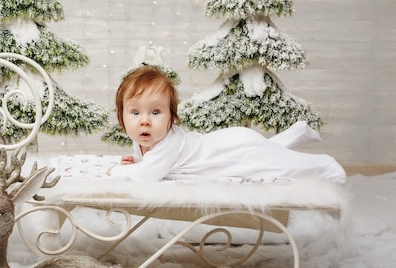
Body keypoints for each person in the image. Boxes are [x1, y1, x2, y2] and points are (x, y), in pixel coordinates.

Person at [106, 65, 346, 184]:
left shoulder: (167, 144)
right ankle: (298, 133)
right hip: (228, 143)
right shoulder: (147, 138)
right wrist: (138, 160)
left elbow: (147, 176)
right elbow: (151, 164)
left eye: (156, 112)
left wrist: (118, 171)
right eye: (135, 112)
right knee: (267, 152)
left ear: (171, 118)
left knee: (273, 165)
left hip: (232, 151)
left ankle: (325, 166)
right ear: (122, 118)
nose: (145, 120)